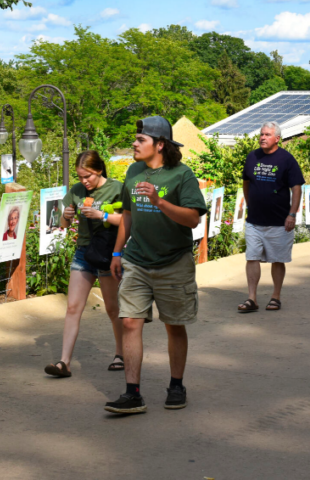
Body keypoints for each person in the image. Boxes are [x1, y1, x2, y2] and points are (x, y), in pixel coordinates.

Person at [106, 116, 207, 414]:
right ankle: (132, 393)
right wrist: (116, 252)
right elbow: (127, 213)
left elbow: (193, 219)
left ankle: (176, 385)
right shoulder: (134, 171)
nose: (134, 144)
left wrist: (160, 201)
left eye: (141, 140)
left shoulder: (181, 175)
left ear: (160, 145)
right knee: (129, 322)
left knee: (174, 326)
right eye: (135, 139)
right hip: (137, 260)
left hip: (173, 262)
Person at [44, 150, 125, 379]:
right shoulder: (77, 191)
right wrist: (67, 215)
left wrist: (102, 215)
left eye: (87, 176)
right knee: (73, 307)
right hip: (83, 252)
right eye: (80, 177)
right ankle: (64, 362)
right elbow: (62, 223)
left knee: (112, 307)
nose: (84, 181)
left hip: (109, 253)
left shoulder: (117, 188)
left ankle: (120, 354)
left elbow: (128, 220)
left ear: (98, 170)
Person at [238, 121, 304, 315]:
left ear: (277, 138)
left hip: (279, 221)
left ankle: (275, 296)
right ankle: (252, 299)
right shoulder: (252, 157)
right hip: (254, 221)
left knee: (277, 259)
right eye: (261, 134)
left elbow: (297, 188)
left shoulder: (286, 159)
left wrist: (292, 214)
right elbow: (246, 182)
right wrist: (250, 204)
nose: (262, 137)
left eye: (267, 134)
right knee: (252, 257)